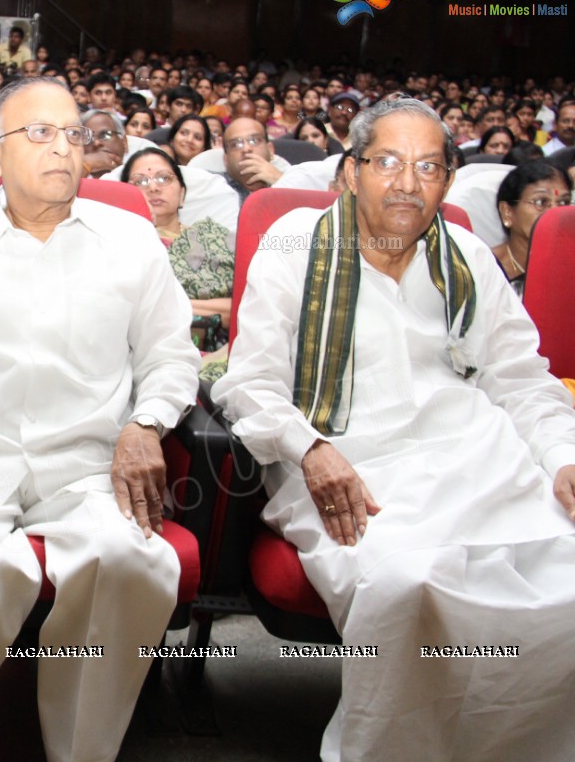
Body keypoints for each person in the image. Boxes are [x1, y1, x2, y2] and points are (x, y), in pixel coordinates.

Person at [213, 97, 575, 762]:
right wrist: (309, 450)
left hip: (478, 460)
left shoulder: (466, 252)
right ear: (351, 172)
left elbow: (519, 379)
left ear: (447, 179)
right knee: (407, 581)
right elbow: (250, 385)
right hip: (342, 467)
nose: (408, 183)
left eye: (429, 167)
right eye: (387, 162)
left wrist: (561, 458)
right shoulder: (294, 245)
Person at [0, 75, 199, 762]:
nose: (64, 148)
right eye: (40, 133)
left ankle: (81, 751)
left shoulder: (130, 238)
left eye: (74, 134)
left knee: (132, 563)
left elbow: (173, 356)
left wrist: (146, 425)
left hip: (90, 466)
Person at [123, 147, 233, 329]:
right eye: (140, 181)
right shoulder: (117, 244)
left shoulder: (213, 237)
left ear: (182, 195)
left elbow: (244, 307)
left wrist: (165, 306)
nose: (153, 188)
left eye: (164, 178)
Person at [492, 160, 572, 295]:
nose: (555, 212)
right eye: (541, 202)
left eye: (564, 202)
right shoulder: (485, 267)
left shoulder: (570, 265)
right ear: (507, 212)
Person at [222, 116, 283, 203]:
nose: (246, 148)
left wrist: (281, 182)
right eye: (235, 144)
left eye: (254, 140)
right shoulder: (213, 188)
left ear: (270, 150)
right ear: (226, 160)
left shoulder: (294, 179)